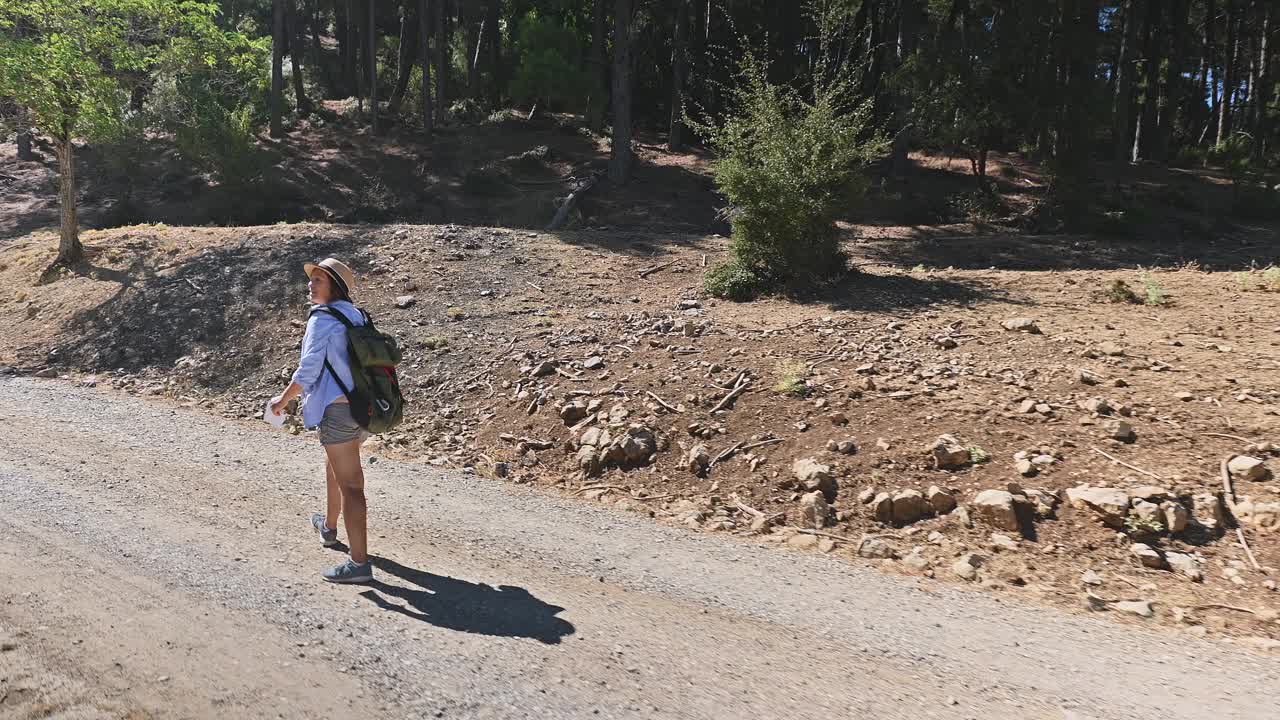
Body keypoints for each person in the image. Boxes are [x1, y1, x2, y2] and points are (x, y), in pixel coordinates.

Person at [270, 257, 374, 584]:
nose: (310, 285)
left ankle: (359, 564)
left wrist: (282, 400)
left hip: (338, 410)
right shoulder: (357, 316)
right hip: (363, 408)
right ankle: (329, 528)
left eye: (318, 281)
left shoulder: (322, 318)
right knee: (336, 467)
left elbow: (309, 369)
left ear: (334, 287)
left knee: (352, 486)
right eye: (311, 279)